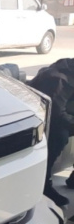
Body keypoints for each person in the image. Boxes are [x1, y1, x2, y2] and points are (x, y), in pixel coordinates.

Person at [27, 58, 74, 208]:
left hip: (56, 116)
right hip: (39, 120)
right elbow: (55, 114)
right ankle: (44, 185)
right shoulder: (59, 80)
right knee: (58, 137)